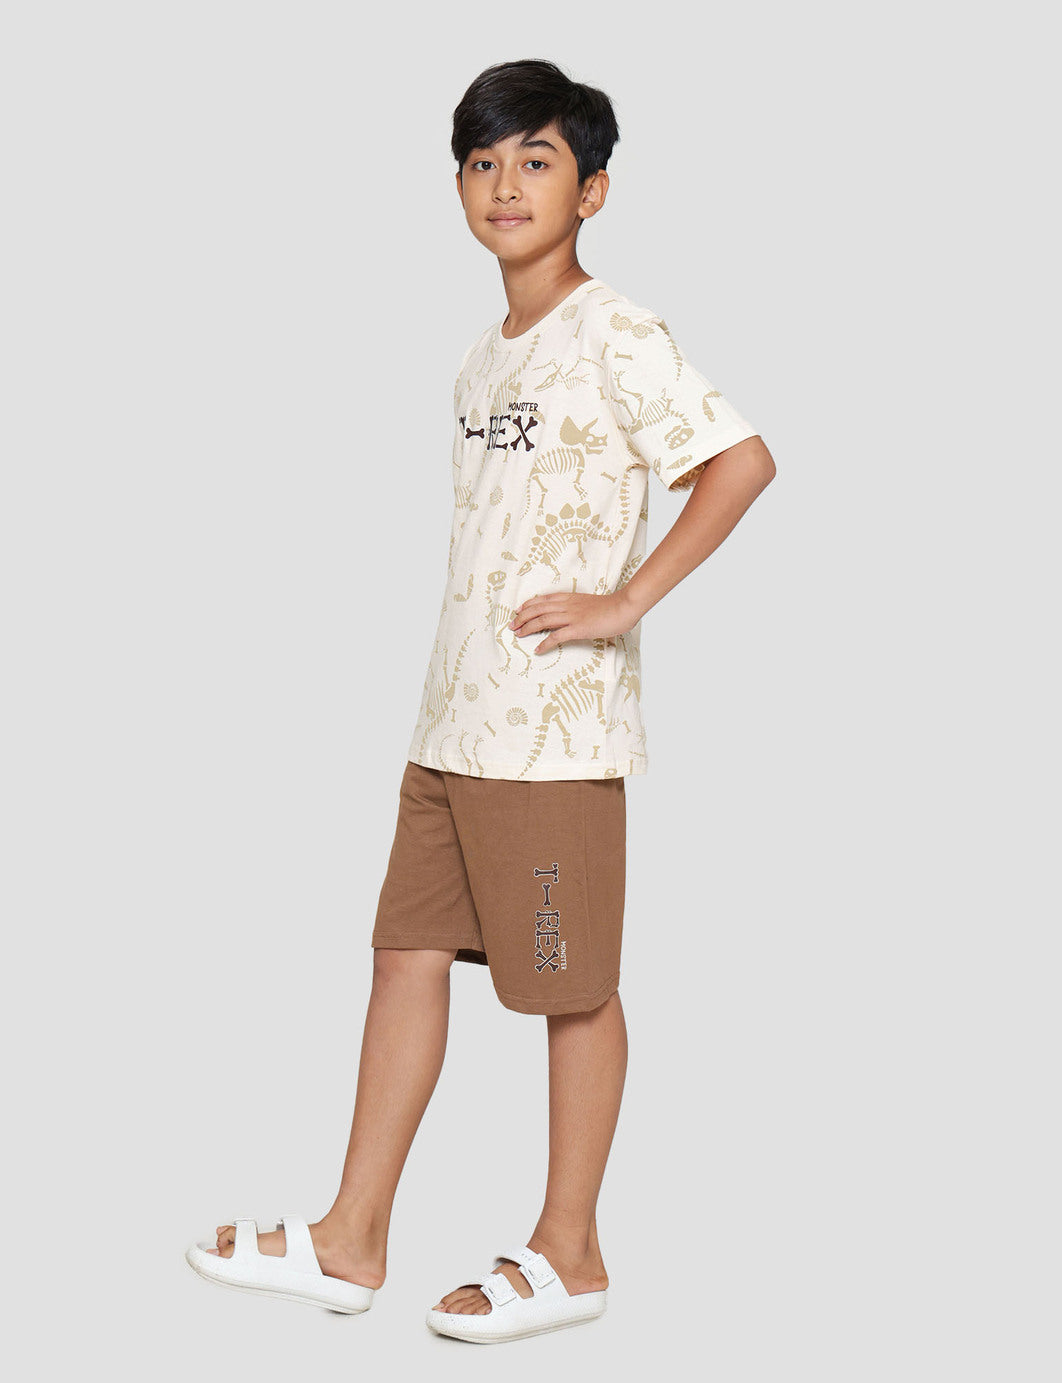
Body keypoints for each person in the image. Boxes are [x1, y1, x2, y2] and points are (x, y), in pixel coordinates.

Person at [185, 57, 776, 1345]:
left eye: (537, 160)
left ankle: (571, 1252)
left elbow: (741, 461)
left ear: (593, 190)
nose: (505, 183)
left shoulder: (615, 331)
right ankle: (351, 1237)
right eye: (482, 161)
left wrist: (624, 602)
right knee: (404, 958)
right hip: (451, 727)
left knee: (572, 986)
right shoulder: (483, 358)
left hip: (550, 736)